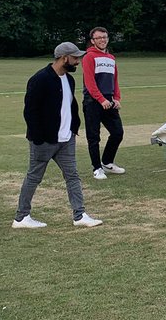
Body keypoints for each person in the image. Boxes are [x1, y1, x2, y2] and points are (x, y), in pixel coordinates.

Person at [12, 42, 103, 229]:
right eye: (75, 58)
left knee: (73, 176)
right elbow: (30, 111)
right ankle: (21, 218)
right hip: (44, 140)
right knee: (34, 177)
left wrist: (72, 129)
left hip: (66, 139)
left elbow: (69, 106)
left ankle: (79, 215)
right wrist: (38, 138)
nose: (77, 61)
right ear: (64, 58)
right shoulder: (40, 79)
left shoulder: (69, 79)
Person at [81, 26, 126, 181]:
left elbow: (115, 80)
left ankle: (107, 162)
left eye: (105, 37)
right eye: (99, 38)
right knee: (94, 137)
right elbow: (89, 82)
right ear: (93, 40)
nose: (103, 40)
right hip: (93, 101)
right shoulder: (88, 57)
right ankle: (97, 168)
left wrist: (117, 98)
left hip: (109, 101)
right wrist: (101, 99)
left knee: (118, 133)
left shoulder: (111, 58)